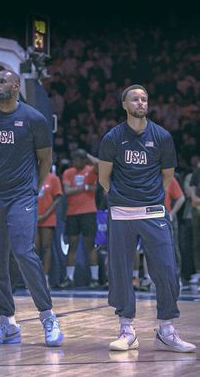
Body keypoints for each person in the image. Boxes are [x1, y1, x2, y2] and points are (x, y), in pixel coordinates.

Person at [98, 84, 196, 353]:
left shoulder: (162, 136)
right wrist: (122, 198)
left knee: (166, 270)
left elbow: (168, 176)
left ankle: (166, 330)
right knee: (120, 273)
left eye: (144, 99)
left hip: (153, 212)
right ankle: (126, 329)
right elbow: (103, 177)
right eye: (135, 99)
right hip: (120, 213)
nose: (141, 102)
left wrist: (148, 199)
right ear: (124, 105)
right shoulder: (112, 138)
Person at [0, 69, 64, 347]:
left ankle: (48, 317)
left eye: (2, 81)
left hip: (21, 196)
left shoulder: (34, 119)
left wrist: (33, 188)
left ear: (15, 87)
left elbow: (45, 159)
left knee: (23, 251)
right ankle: (7, 324)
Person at [60, 149, 99, 288]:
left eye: (78, 159)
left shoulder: (91, 169)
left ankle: (95, 279)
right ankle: (69, 278)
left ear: (84, 161)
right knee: (72, 245)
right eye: (74, 159)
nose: (74, 162)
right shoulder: (68, 172)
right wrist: (87, 187)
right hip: (72, 213)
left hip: (89, 212)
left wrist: (88, 155)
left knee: (90, 246)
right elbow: (67, 191)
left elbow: (101, 164)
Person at [36, 170, 63, 288]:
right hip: (32, 217)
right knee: (34, 248)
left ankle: (45, 278)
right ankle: (35, 279)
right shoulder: (31, 177)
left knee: (46, 247)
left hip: (48, 217)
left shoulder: (53, 178)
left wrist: (46, 214)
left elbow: (57, 199)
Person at [189, 158, 200, 285]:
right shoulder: (197, 171)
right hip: (196, 209)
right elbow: (192, 189)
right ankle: (198, 271)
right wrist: (194, 199)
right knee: (196, 241)